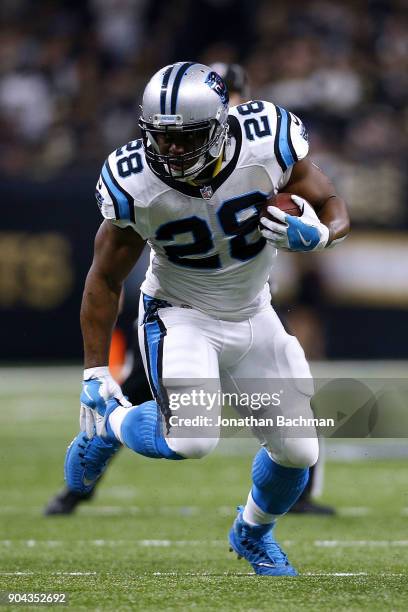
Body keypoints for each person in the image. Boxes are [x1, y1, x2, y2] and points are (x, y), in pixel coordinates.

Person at [62, 62, 351, 576]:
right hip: (182, 314)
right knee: (192, 437)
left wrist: (322, 235)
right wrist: (94, 372)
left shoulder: (266, 141)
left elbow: (330, 202)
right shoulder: (134, 180)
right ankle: (111, 424)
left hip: (255, 312)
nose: (172, 151)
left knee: (298, 453)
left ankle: (252, 533)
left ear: (220, 124)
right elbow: (103, 279)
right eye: (162, 138)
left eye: (187, 137)